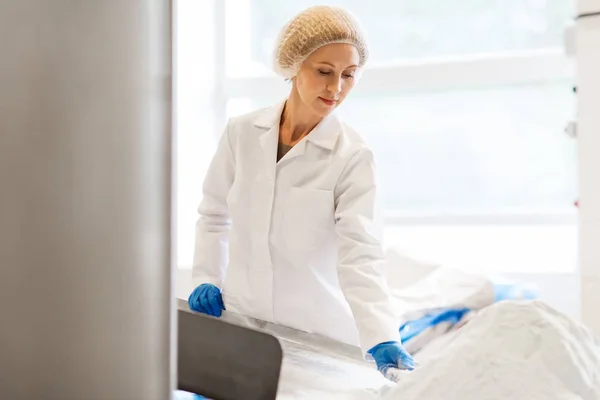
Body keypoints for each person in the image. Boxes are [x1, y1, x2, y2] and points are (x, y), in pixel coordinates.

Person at [188, 5, 414, 380]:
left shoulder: (353, 156)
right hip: (241, 324)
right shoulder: (242, 132)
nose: (336, 88)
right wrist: (206, 276)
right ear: (293, 66)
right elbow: (213, 215)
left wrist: (381, 335)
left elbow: (362, 252)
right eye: (324, 71)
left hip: (317, 335)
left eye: (349, 75)